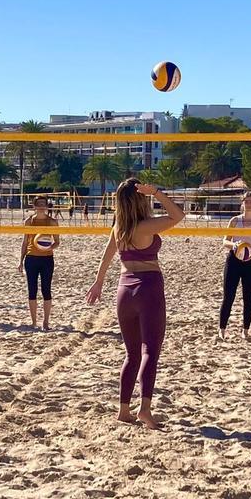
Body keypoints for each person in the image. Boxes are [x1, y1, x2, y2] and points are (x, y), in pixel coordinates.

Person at [86, 179, 185, 429]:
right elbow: (178, 215)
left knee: (131, 354)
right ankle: (145, 410)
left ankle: (123, 410)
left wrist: (98, 283)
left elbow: (106, 257)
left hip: (124, 291)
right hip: (148, 287)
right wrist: (157, 192)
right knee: (150, 351)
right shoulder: (145, 226)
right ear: (140, 199)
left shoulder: (119, 227)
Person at [219, 192, 251, 341]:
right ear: (242, 203)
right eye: (246, 201)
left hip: (250, 262)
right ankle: (222, 329)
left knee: (248, 297)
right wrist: (234, 245)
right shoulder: (234, 221)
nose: (248, 204)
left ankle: (245, 331)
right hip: (233, 261)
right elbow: (225, 241)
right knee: (228, 296)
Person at [18, 196, 60, 330]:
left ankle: (46, 322)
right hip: (31, 258)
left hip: (47, 259)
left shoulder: (52, 222)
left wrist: (49, 248)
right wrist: (20, 261)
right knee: (32, 290)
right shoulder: (28, 221)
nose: (42, 206)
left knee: (46, 290)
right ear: (34, 207)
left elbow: (57, 242)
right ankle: (34, 322)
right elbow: (25, 242)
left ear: (47, 206)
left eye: (44, 204)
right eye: (39, 204)